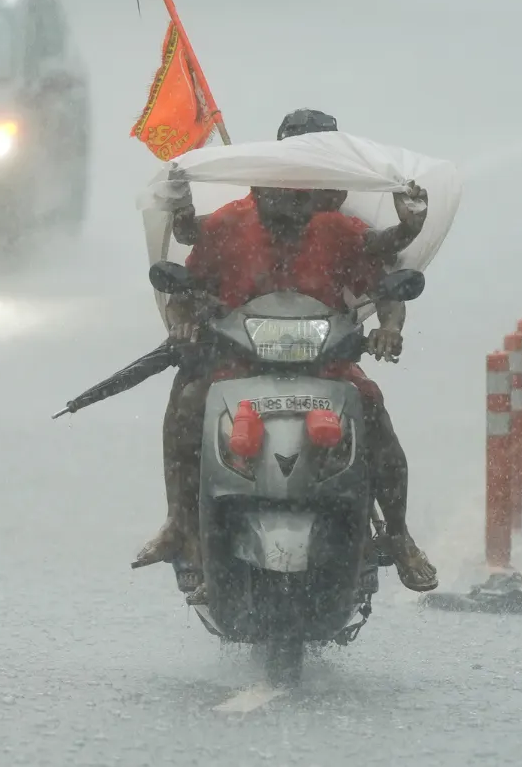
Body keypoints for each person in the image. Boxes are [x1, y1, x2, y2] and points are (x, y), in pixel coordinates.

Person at [134, 109, 438, 602]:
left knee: (373, 409)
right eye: (287, 180)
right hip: (237, 365)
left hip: (327, 366)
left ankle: (398, 536)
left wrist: (390, 326)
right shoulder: (229, 223)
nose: (293, 196)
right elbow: (186, 282)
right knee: (190, 403)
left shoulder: (339, 229)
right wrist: (183, 323)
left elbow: (385, 272)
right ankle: (181, 525)